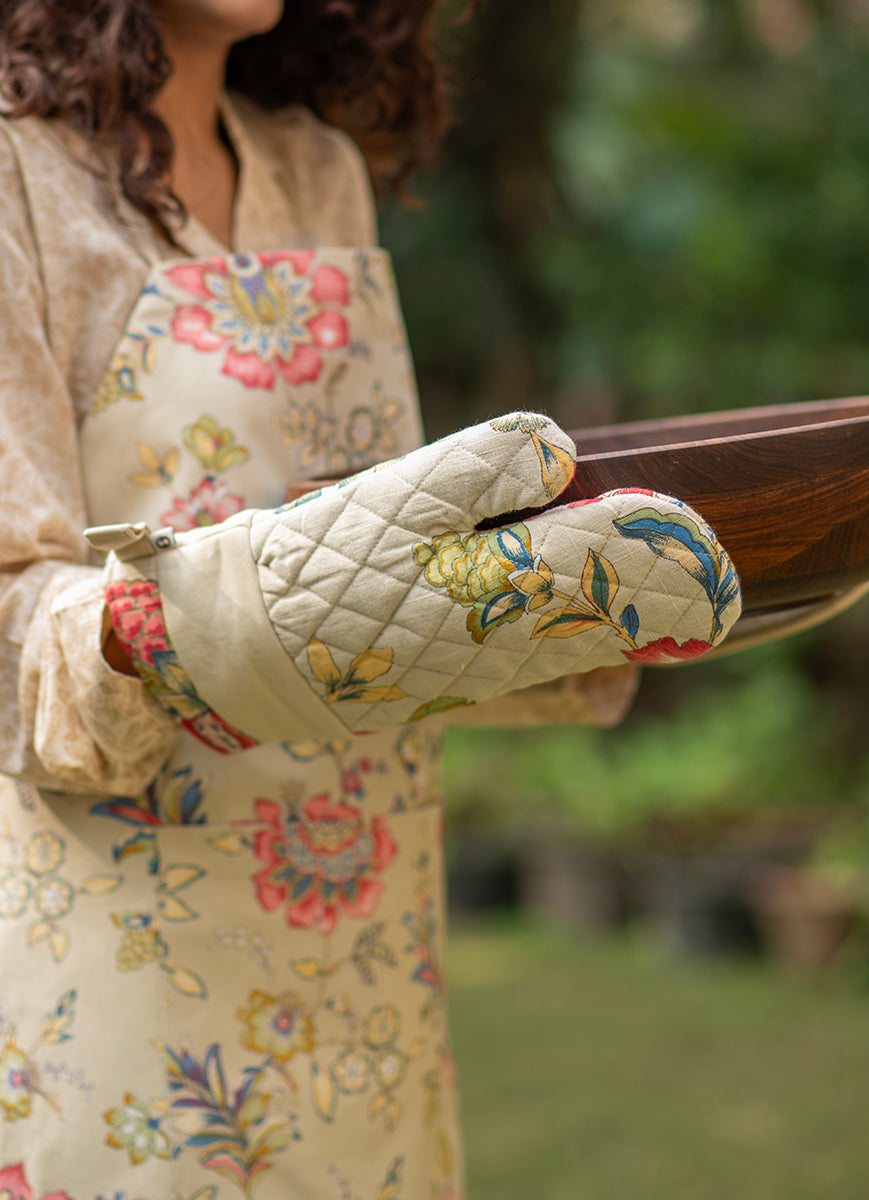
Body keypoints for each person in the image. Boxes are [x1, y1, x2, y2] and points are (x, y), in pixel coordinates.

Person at [0, 2, 741, 1196]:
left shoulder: (313, 167)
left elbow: (374, 600)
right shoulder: (17, 170)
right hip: (129, 949)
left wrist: (567, 618)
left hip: (367, 918)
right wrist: (188, 624)